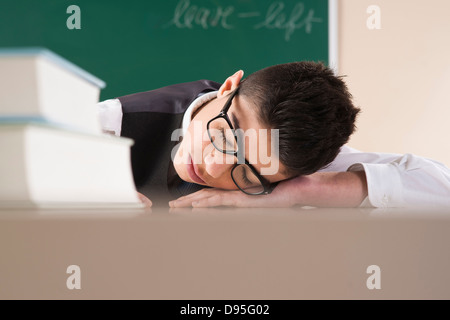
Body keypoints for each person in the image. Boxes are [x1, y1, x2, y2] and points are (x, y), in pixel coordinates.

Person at [97, 62, 450, 208]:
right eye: (223, 136)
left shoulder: (295, 164)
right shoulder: (111, 122)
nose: (215, 167)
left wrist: (304, 191)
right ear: (228, 88)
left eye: (247, 173)